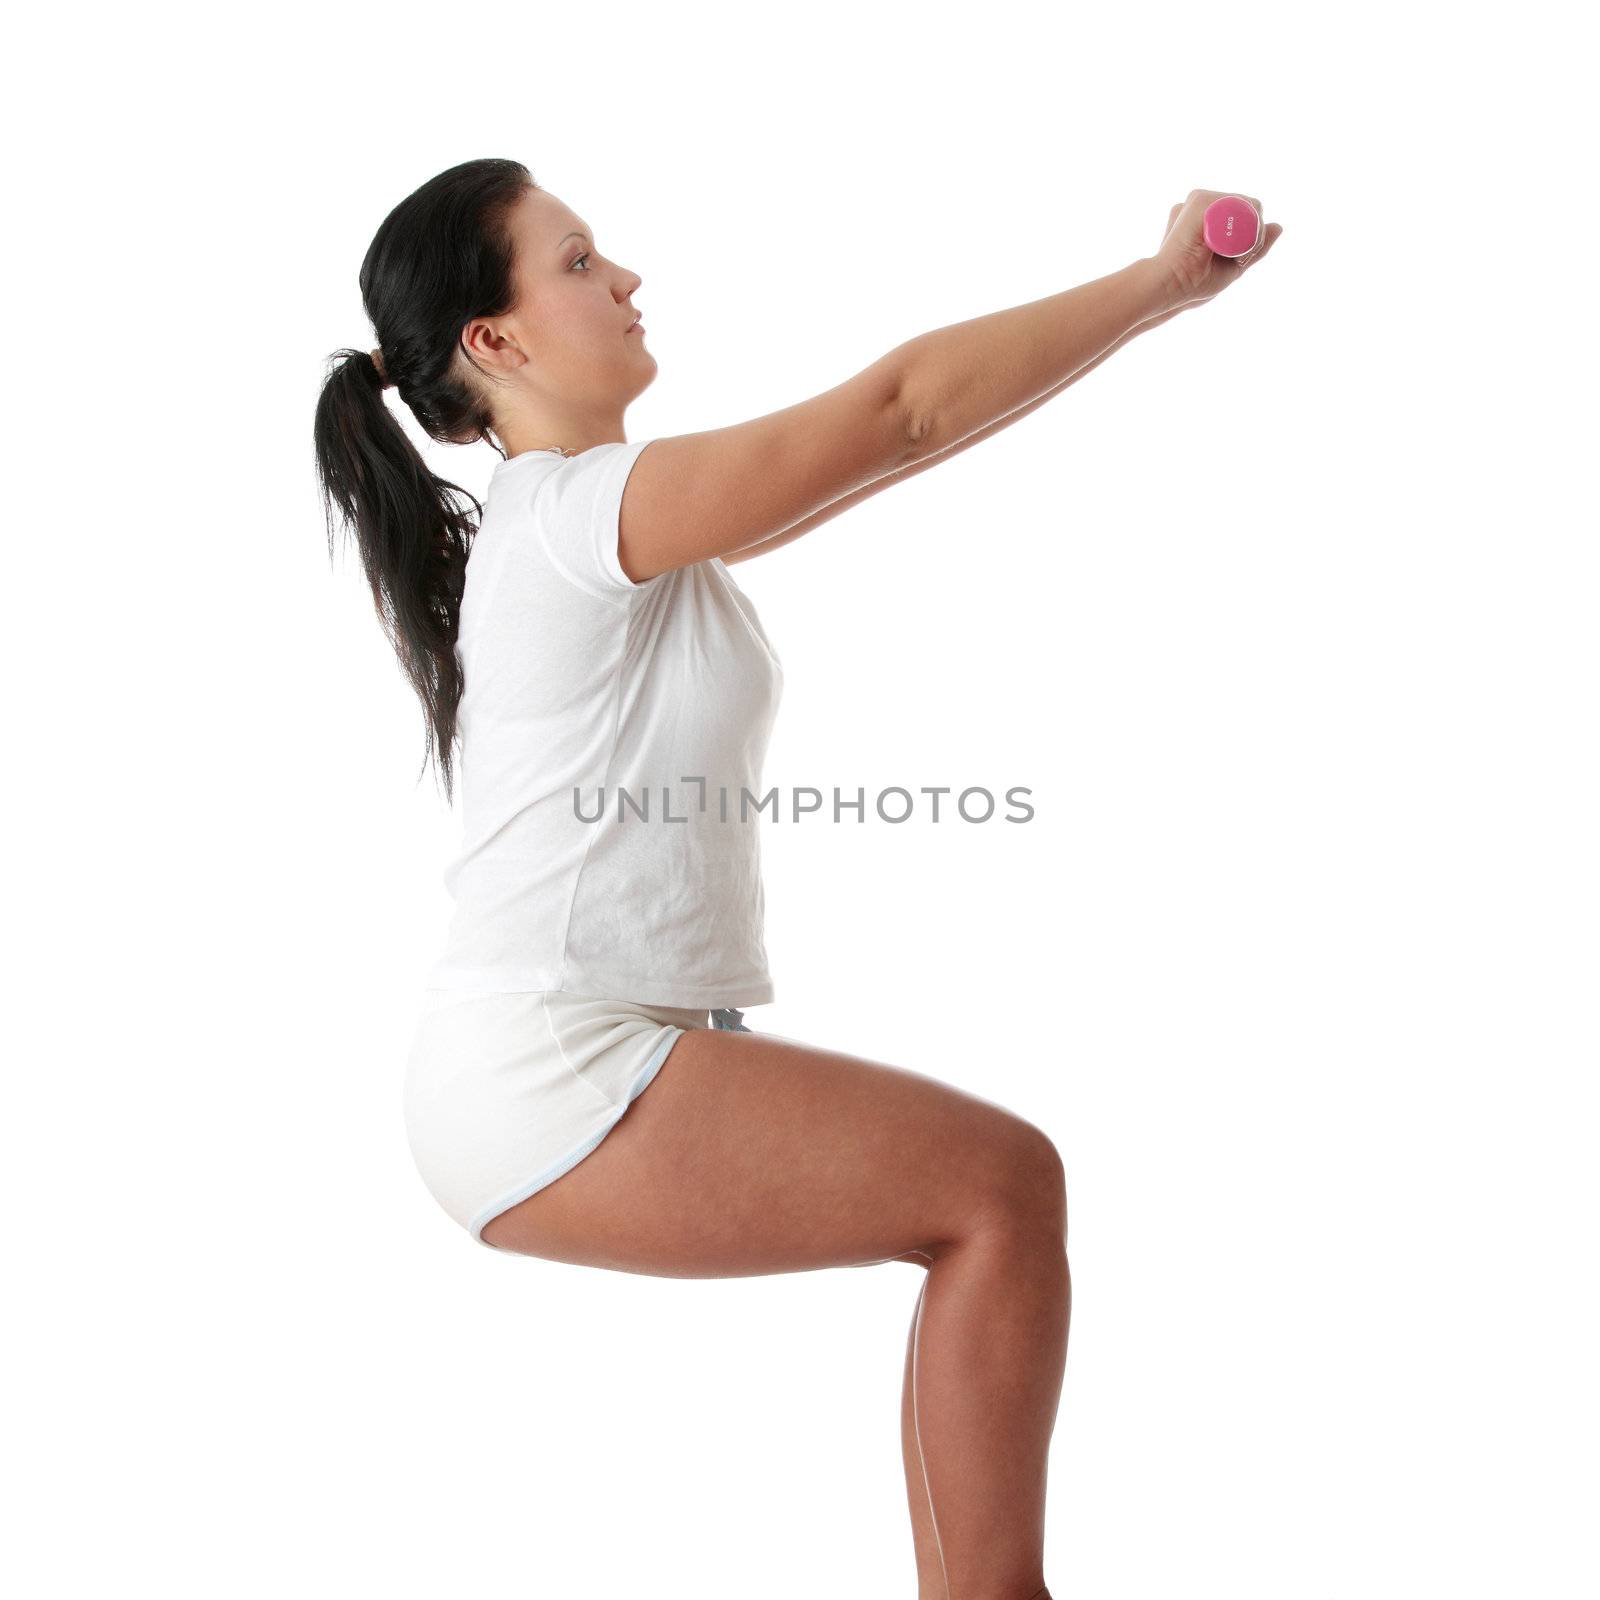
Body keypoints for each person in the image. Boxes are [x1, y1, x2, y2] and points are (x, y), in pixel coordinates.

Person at [312, 157, 1280, 1600]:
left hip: (549, 1056)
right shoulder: (580, 517)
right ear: (495, 344)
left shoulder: (605, 523)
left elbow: (901, 444)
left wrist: (1143, 315)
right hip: (543, 1060)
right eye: (577, 262)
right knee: (1000, 1190)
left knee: (986, 1205)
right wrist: (1158, 289)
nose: (624, 278)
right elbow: (901, 405)